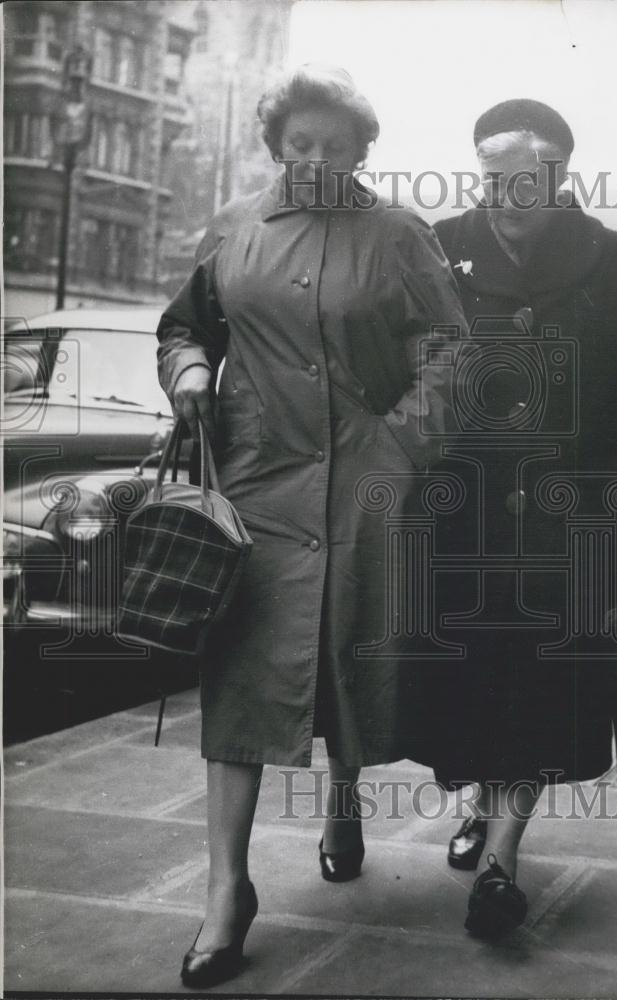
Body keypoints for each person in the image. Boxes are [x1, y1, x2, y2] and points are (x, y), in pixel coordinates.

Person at [156, 64, 465, 988]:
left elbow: (450, 349)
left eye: (336, 146)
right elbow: (185, 327)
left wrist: (403, 446)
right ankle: (226, 893)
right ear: (275, 147)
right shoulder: (233, 228)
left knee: (344, 657)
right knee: (244, 678)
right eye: (300, 145)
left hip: (368, 483)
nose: (317, 160)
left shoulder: (401, 235)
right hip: (258, 485)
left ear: (364, 149)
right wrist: (191, 378)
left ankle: (343, 800)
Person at [406, 98, 617, 938]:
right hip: (465, 513)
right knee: (471, 679)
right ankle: (482, 811)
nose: (501, 193)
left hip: (574, 515)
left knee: (541, 687)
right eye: (489, 176)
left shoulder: (612, 258)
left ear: (559, 176)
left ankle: (501, 859)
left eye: (520, 177)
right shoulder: (440, 245)